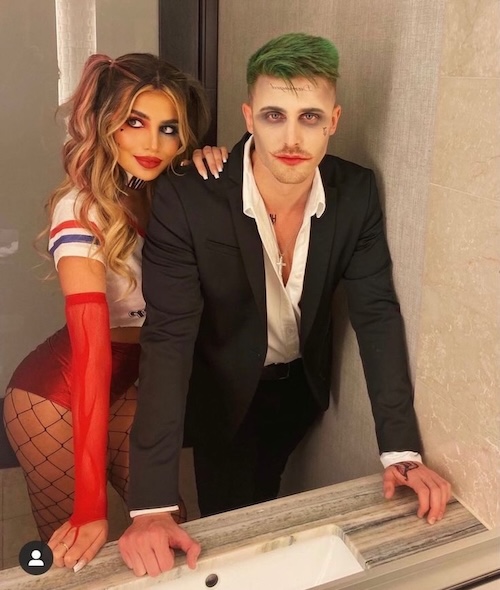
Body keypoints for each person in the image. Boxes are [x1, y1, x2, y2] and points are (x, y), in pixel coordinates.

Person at [118, 33, 451, 578]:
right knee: (226, 526)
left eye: (310, 117)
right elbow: (169, 338)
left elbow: (376, 314)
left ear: (333, 121)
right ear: (249, 116)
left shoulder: (356, 192)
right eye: (275, 115)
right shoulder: (188, 196)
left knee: (267, 498)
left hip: (298, 390)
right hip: (220, 392)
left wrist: (402, 452)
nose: (292, 138)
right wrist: (152, 504)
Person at [2, 52, 227, 573]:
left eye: (169, 128)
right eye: (135, 122)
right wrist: (90, 507)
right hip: (56, 397)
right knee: (72, 561)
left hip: (127, 383)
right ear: (106, 126)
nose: (153, 144)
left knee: (167, 521)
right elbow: (90, 352)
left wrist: (216, 167)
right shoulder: (81, 207)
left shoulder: (166, 193)